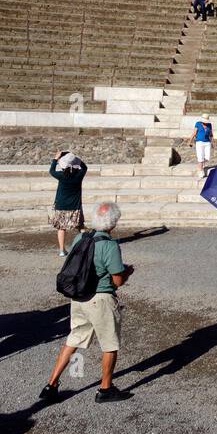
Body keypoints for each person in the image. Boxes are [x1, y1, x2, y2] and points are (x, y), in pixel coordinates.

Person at [40, 202, 134, 403]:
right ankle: (105, 389)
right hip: (100, 299)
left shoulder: (81, 238)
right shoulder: (109, 245)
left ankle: (51, 384)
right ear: (114, 223)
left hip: (79, 297)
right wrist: (127, 272)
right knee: (110, 344)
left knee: (74, 339)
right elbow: (117, 281)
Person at [49, 151, 86, 257]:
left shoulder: (60, 175)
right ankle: (85, 247)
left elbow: (51, 171)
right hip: (75, 206)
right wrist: (76, 159)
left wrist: (55, 159)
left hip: (61, 206)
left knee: (61, 228)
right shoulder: (79, 175)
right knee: (80, 227)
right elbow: (84, 167)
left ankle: (62, 250)